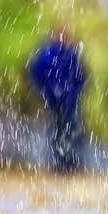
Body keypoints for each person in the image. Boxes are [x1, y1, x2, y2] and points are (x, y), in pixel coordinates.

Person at [29, 25, 86, 172]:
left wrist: (44, 90)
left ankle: (63, 162)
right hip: (66, 99)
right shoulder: (65, 54)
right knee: (66, 129)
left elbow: (35, 73)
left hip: (58, 99)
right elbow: (81, 76)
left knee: (59, 129)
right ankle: (67, 162)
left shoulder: (49, 53)